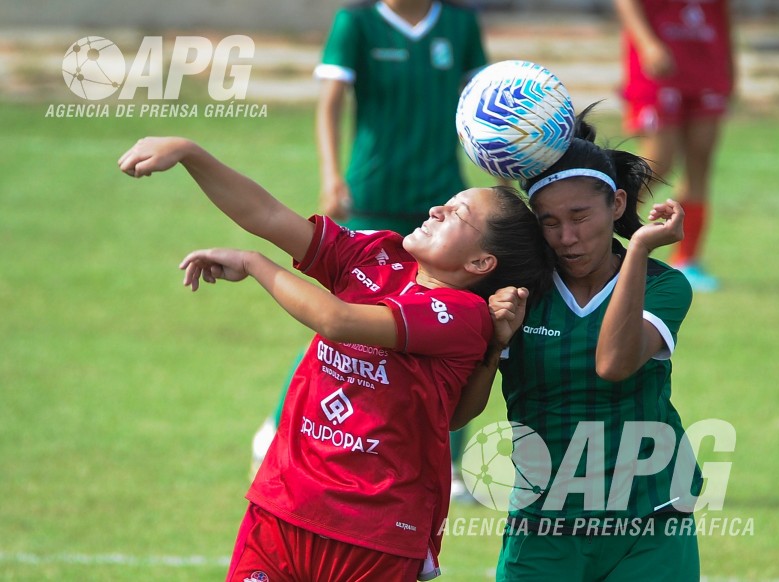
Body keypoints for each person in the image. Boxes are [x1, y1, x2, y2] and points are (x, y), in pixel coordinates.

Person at [117, 136, 552, 581]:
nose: (437, 210)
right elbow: (266, 215)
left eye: (458, 214)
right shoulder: (379, 255)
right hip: (283, 505)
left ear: (481, 263)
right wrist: (191, 153)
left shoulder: (462, 315)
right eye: (447, 203)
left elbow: (337, 320)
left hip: (373, 535)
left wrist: (253, 263)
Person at [253, 0, 491, 498]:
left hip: (442, 205)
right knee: (343, 320)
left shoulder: (460, 25)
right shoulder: (355, 23)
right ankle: (280, 426)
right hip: (372, 198)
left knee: (459, 332)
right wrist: (330, 173)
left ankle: (445, 464)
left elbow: (486, 108)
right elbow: (330, 101)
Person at [455, 108, 704, 581]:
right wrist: (494, 343)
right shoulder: (519, 291)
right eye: (549, 222)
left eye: (579, 217)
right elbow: (457, 416)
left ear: (616, 205)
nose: (567, 238)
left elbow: (614, 363)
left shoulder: (663, 285)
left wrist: (638, 250)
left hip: (650, 521)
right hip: (545, 524)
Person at [615, 0, 734, 292]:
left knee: (700, 161)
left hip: (706, 61)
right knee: (658, 161)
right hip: (660, 61)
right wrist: (647, 43)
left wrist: (730, 63)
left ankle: (687, 259)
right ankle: (605, 238)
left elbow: (723, 12)